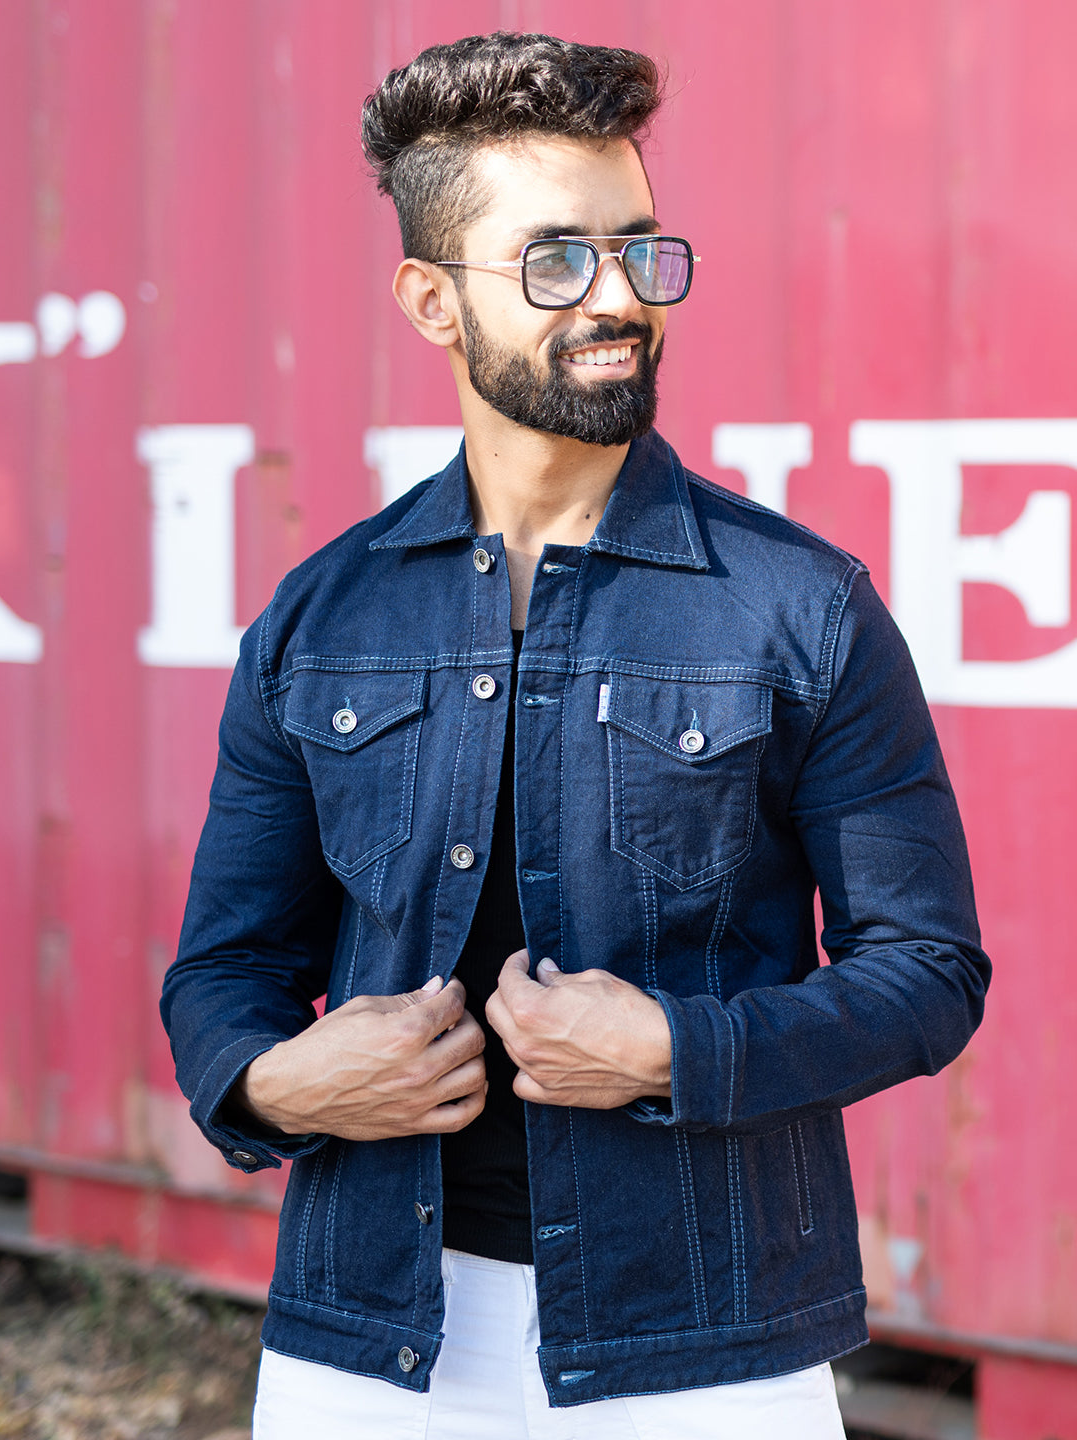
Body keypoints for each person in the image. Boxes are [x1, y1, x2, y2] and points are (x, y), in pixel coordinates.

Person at [161, 31, 989, 1440]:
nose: (617, 297)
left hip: (712, 1348)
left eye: (639, 250)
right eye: (554, 260)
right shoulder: (322, 615)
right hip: (369, 1345)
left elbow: (928, 972)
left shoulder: (803, 607)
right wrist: (277, 1083)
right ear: (433, 300)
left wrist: (677, 1050)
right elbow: (224, 970)